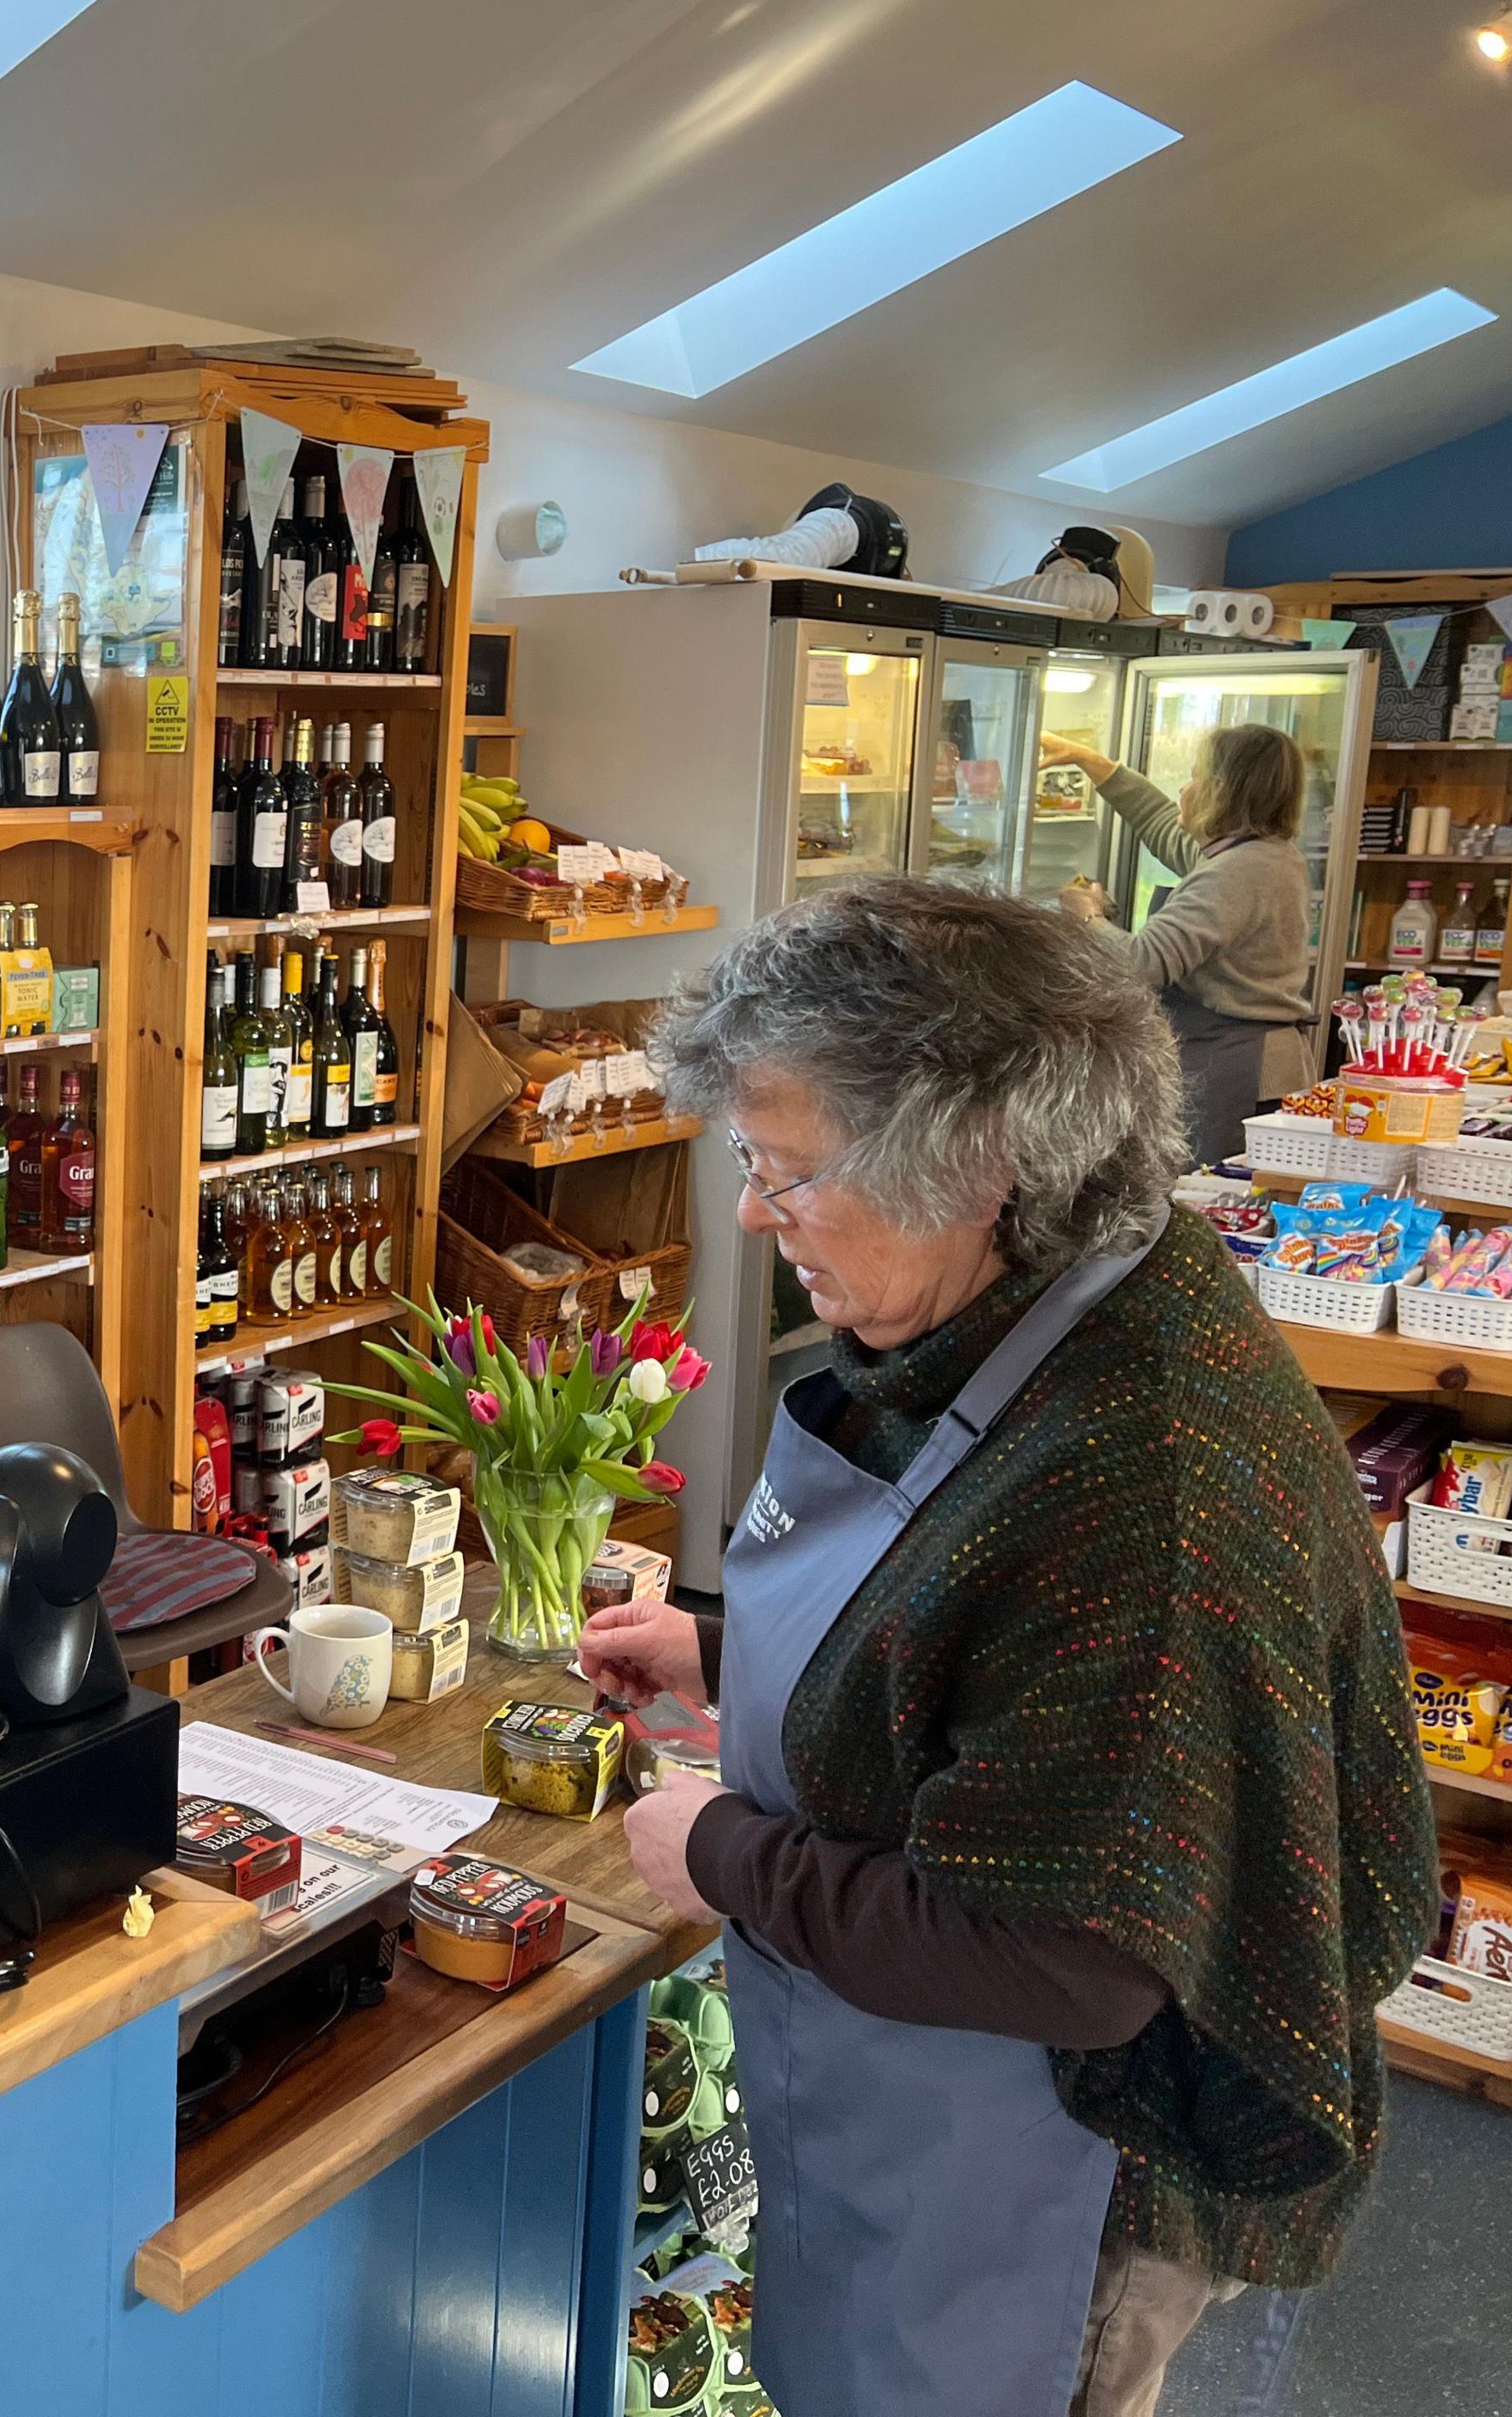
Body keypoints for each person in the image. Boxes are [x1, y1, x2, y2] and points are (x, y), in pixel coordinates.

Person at [573, 878, 1433, 2417]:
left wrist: (717, 1849)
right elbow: (977, 1632)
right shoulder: (1065, 1298)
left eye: (786, 1169)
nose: (759, 1213)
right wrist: (734, 1657)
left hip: (1062, 2170)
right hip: (949, 2135)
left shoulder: (1142, 1475)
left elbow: (1063, 1955)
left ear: (970, 1164)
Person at [1042, 721, 1317, 1163]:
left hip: (1238, 1072)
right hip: (1251, 1062)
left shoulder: (1236, 872)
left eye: (1194, 777)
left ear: (1218, 791)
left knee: (1212, 1199)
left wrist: (1086, 917)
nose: (1184, 790)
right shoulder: (1264, 854)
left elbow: (1141, 964)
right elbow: (1162, 824)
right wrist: (1091, 762)